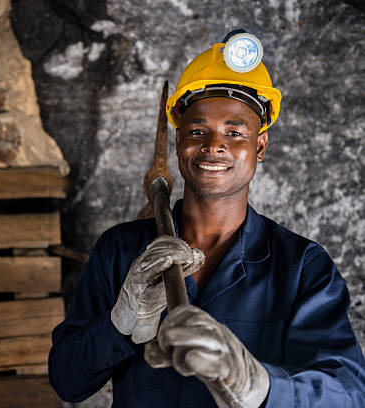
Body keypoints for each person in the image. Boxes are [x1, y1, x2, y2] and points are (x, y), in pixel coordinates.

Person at [48, 30, 365, 407]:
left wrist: (259, 385)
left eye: (235, 132)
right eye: (198, 131)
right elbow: (67, 380)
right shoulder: (121, 251)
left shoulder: (301, 268)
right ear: (179, 141)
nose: (214, 145)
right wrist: (118, 324)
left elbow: (348, 393)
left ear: (259, 146)